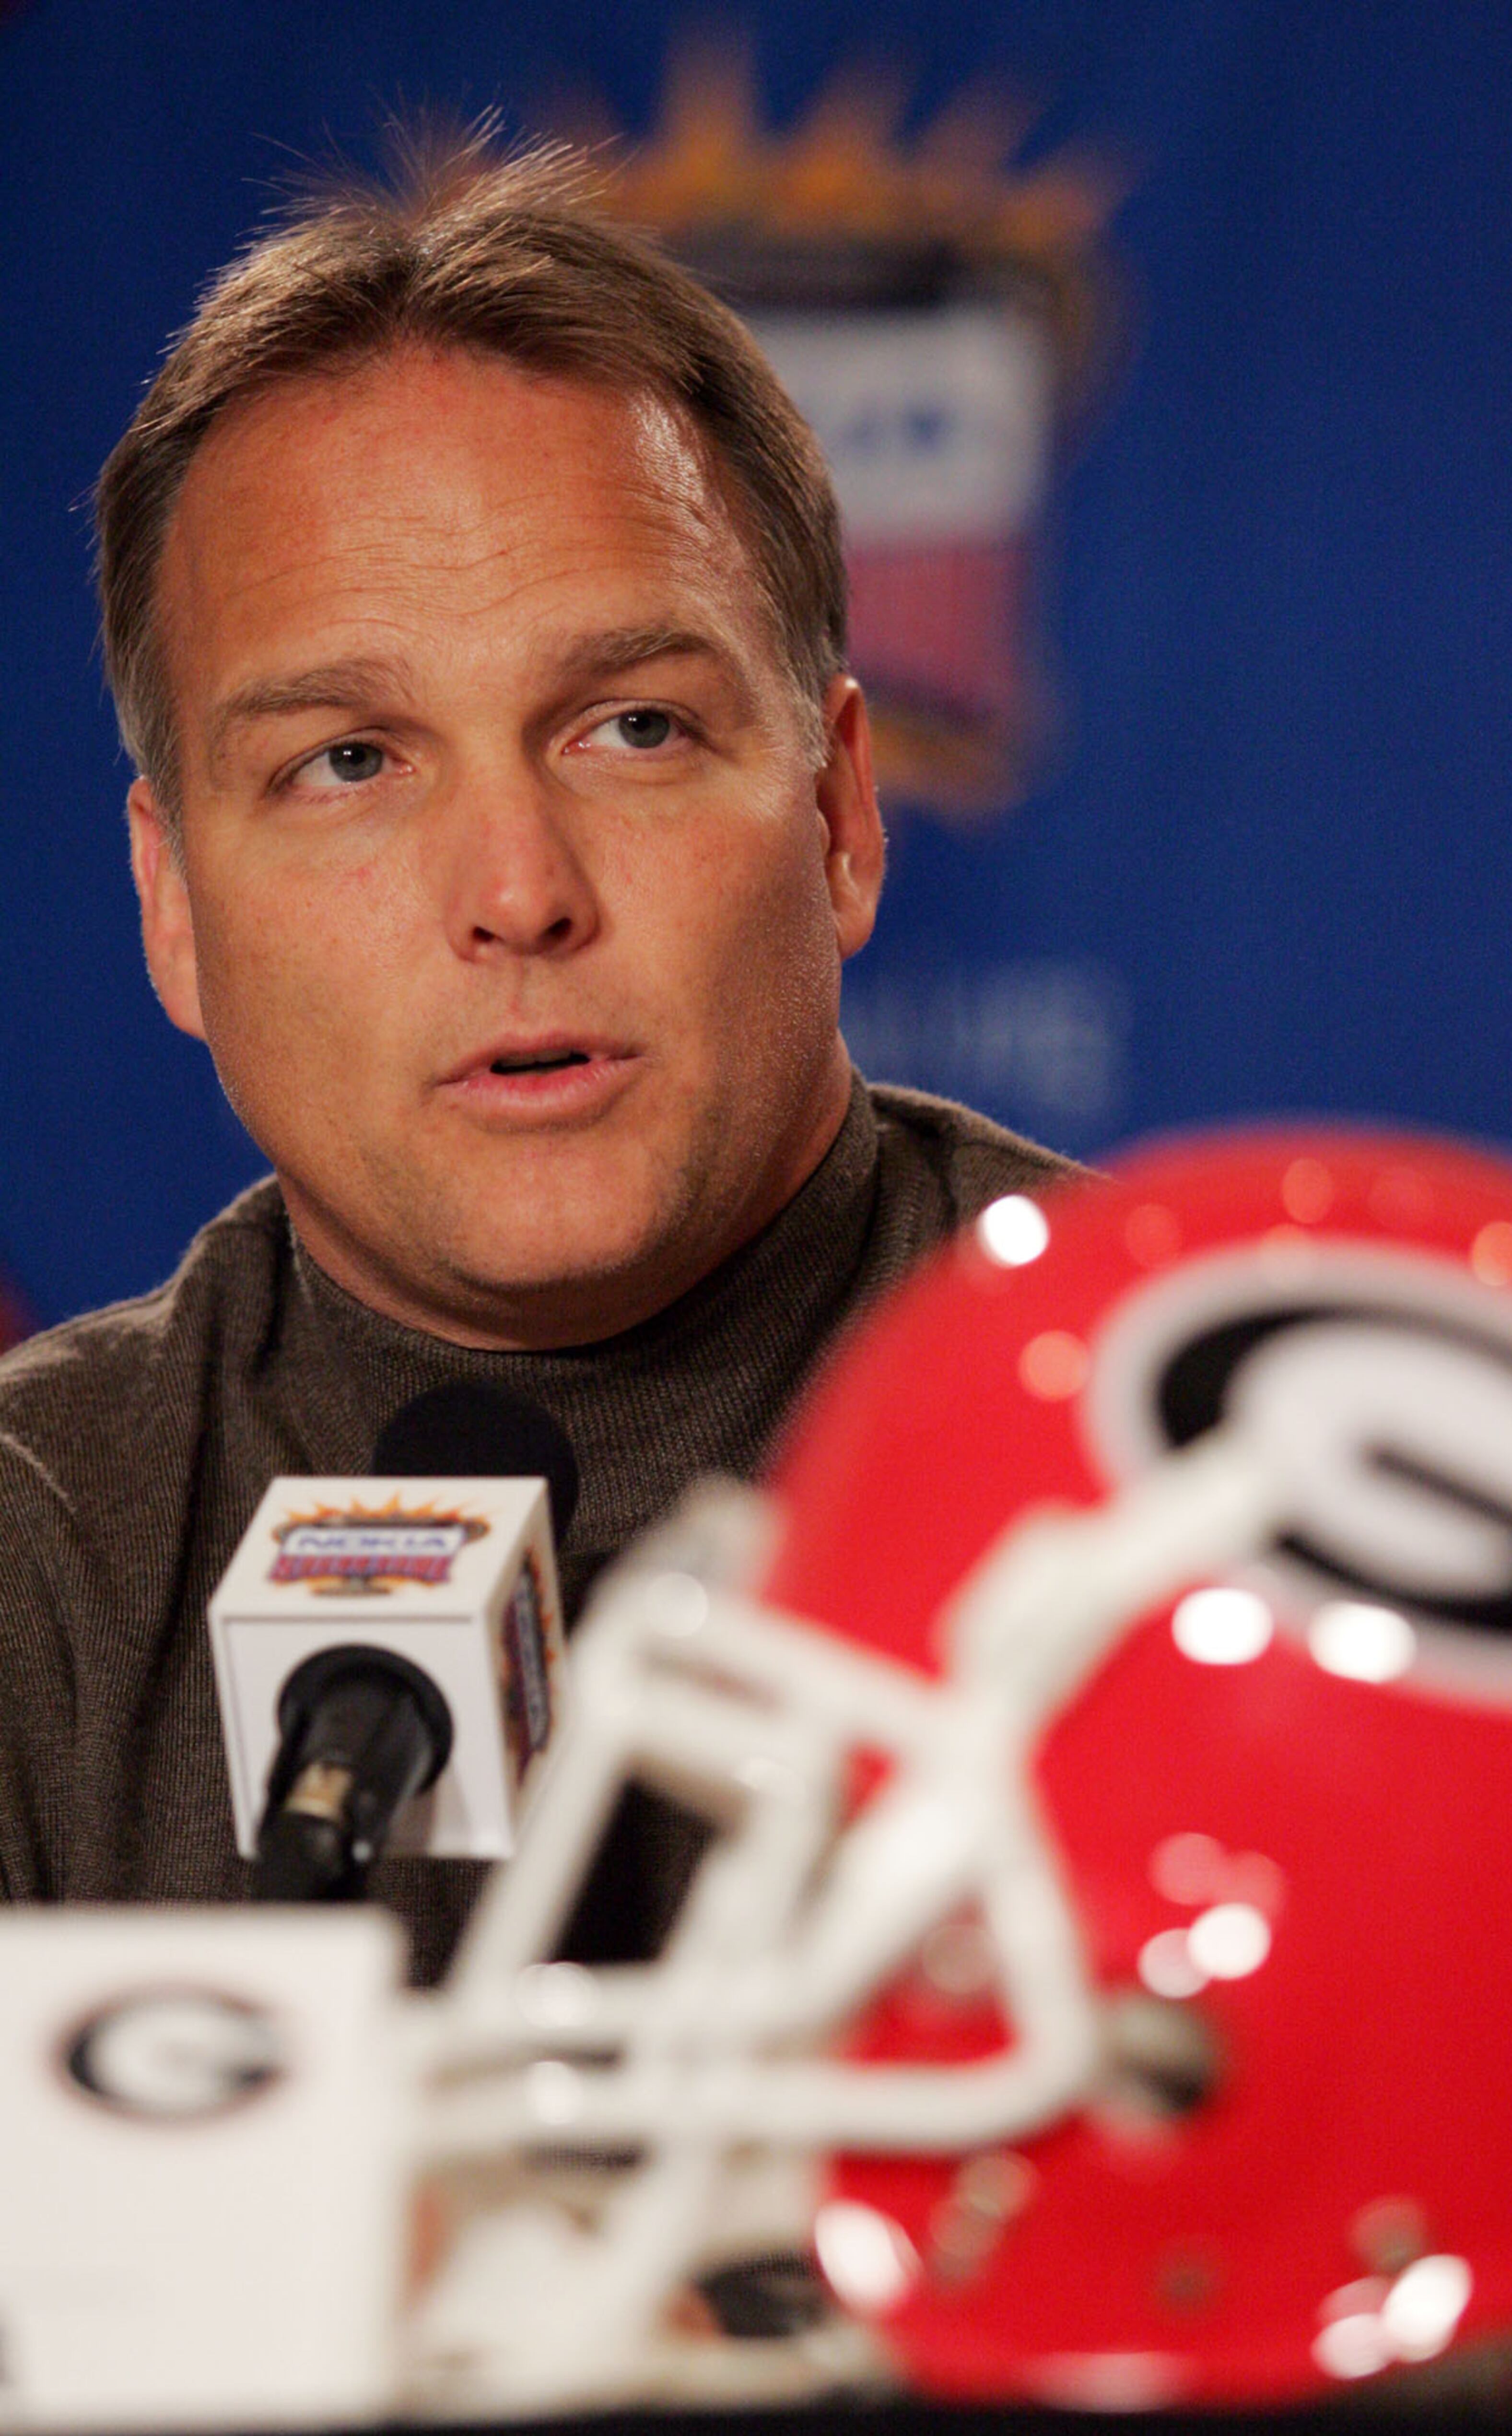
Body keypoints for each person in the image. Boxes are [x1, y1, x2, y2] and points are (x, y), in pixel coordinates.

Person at [0, 132, 1075, 1981]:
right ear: (172, 908)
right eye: (349, 762)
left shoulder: (1182, 1458)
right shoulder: (37, 1566)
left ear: (838, 820)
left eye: (631, 728)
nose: (516, 893)